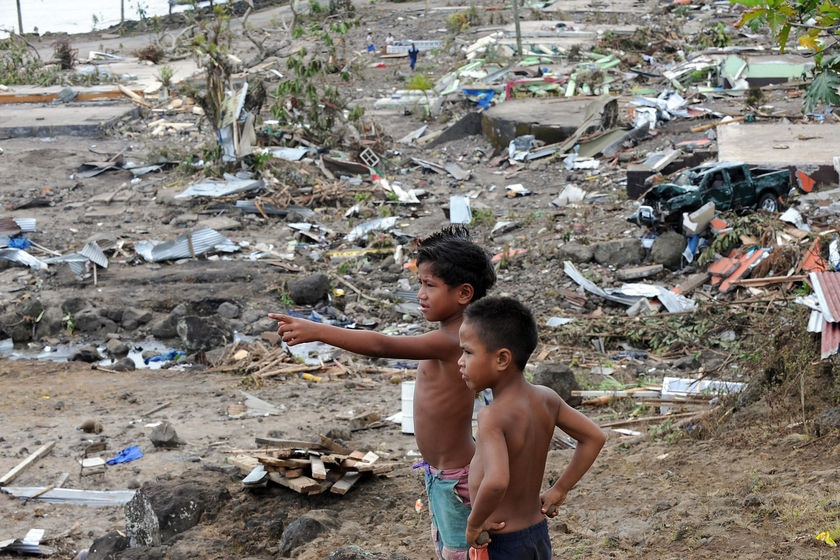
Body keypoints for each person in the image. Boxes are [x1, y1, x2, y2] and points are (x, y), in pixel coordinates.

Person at [269, 225, 497, 560]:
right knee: (451, 548)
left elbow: (379, 345)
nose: (420, 293)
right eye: (420, 283)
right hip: (440, 473)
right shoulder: (449, 334)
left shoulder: (454, 339)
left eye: (429, 285)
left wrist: (318, 330)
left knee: (462, 553)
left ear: (464, 293)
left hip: (456, 476)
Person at [459, 296, 605, 558]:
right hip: (537, 534)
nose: (460, 361)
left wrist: (473, 523)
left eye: (468, 352)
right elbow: (594, 437)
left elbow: (496, 481)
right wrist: (560, 489)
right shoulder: (547, 398)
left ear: (502, 359)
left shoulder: (492, 416)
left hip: (503, 542)